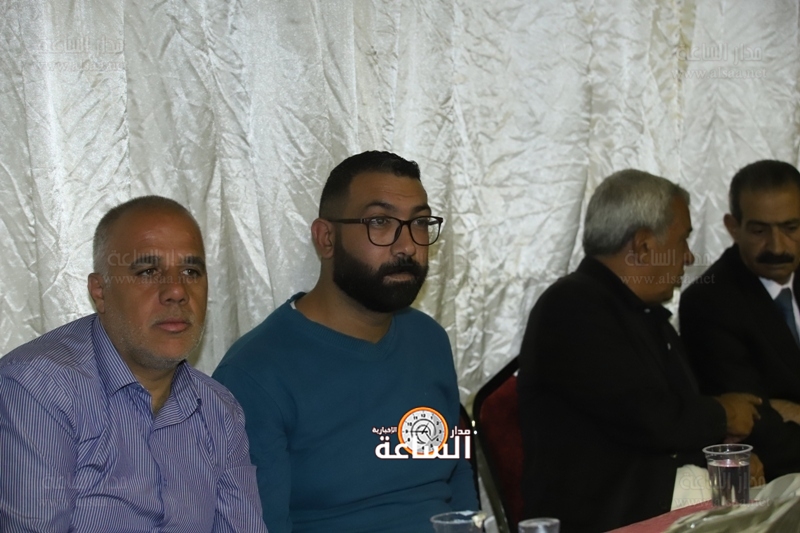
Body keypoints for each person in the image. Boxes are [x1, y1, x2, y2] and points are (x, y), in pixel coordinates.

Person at [213, 151, 478, 533]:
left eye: (419, 223)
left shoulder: (429, 339)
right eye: (380, 222)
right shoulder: (254, 374)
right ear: (326, 238)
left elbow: (457, 475)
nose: (407, 246)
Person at [0, 196, 267, 532]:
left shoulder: (219, 409)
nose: (176, 291)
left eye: (191, 271)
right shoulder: (38, 387)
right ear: (100, 291)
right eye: (148, 271)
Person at [517, 170, 763, 533]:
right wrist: (722, 415)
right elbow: (648, 417)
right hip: (605, 513)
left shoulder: (642, 315)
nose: (688, 256)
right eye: (682, 240)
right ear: (644, 245)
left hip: (645, 497)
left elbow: (671, 415)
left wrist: (720, 449)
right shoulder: (573, 307)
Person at [680, 159, 800, 480]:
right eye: (760, 231)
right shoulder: (709, 303)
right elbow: (754, 426)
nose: (777, 246)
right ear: (734, 227)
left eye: (791, 228)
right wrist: (771, 411)